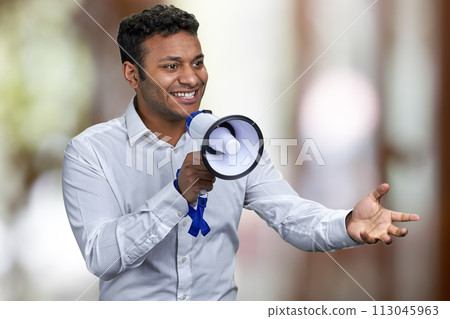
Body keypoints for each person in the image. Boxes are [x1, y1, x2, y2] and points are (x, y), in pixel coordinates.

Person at [62, 4, 420, 301]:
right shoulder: (90, 153)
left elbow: (291, 217)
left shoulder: (233, 143)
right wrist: (176, 196)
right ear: (132, 74)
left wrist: (346, 224)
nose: (191, 78)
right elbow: (102, 257)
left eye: (197, 62)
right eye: (171, 66)